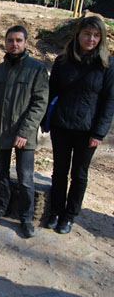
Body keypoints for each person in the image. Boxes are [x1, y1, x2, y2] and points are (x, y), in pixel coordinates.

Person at [43, 16, 114, 234]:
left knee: (79, 175)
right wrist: (46, 120)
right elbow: (51, 92)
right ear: (78, 34)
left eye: (95, 35)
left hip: (88, 130)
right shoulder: (62, 61)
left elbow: (109, 101)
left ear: (101, 38)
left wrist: (99, 132)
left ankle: (70, 215)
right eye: (86, 34)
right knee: (59, 171)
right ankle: (55, 211)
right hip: (62, 126)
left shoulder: (107, 65)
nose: (90, 39)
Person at [0, 25, 48, 238]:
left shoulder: (36, 69)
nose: (14, 44)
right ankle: (2, 207)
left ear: (25, 42)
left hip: (23, 136)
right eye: (10, 40)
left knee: (25, 177)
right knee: (1, 174)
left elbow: (40, 103)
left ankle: (25, 218)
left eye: (19, 40)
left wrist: (25, 132)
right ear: (6, 43)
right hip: (0, 132)